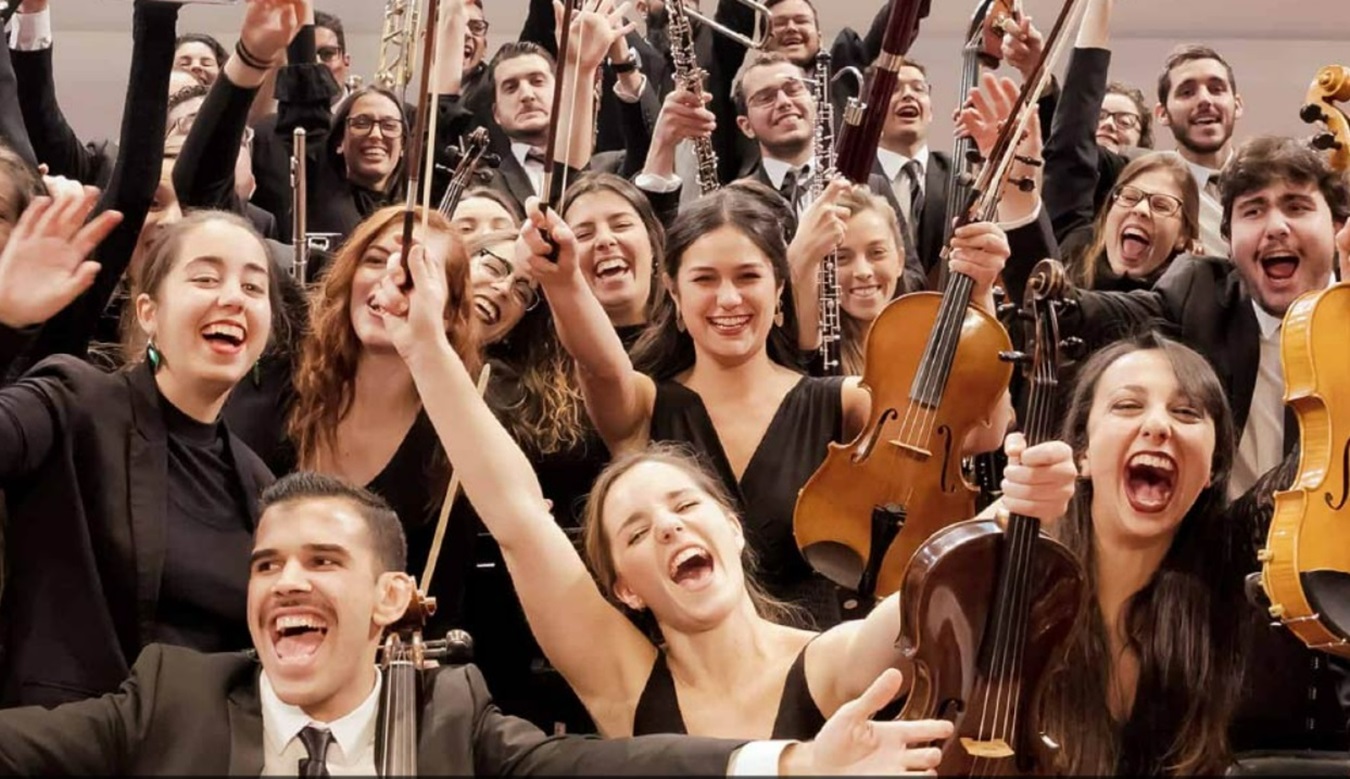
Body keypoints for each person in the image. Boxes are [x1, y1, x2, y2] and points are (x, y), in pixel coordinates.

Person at [363, 222, 1070, 744]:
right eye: (635, 532)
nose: (668, 526)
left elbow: (935, 575)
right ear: (624, 588)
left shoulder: (828, 659)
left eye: (683, 505)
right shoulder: (621, 681)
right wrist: (425, 346)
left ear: (732, 527)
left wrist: (1021, 502)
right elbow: (517, 517)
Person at [0, 470, 954, 775]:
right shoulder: (171, 696)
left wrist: (787, 762)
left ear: (389, 600)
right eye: (267, 565)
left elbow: (604, 766)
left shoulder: (451, 713)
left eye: (323, 561)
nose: (284, 583)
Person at [520, 183, 1012, 626]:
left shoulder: (843, 400)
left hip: (826, 674)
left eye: (748, 276)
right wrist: (562, 282)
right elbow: (600, 366)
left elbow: (976, 433)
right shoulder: (646, 404)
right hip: (695, 690)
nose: (729, 298)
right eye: (705, 279)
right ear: (673, 291)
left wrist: (980, 288)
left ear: (779, 290)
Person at [0, 201, 283, 707]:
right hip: (63, 744)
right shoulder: (74, 402)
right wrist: (4, 320)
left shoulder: (260, 484)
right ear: (148, 312)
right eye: (205, 279)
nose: (233, 299)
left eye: (253, 287)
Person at [1038, 331, 1350, 774]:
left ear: (1212, 468)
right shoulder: (1019, 563)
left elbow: (1322, 461)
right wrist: (997, 520)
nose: (1158, 425)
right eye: (1127, 405)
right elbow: (903, 644)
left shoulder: (1231, 559)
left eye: (1186, 412)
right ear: (1082, 453)